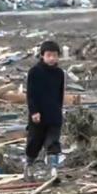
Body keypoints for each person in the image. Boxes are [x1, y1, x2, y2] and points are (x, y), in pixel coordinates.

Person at [25, 40, 65, 180]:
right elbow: (31, 94)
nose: (52, 58)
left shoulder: (59, 73)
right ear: (42, 55)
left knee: (53, 143)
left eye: (54, 55)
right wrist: (34, 111)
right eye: (49, 55)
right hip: (38, 115)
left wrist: (59, 111)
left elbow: (60, 94)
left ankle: (53, 171)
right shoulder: (35, 72)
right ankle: (29, 168)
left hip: (54, 114)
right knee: (35, 142)